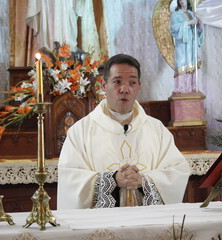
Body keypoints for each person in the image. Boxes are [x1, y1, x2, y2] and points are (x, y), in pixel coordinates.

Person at [57, 54, 191, 209]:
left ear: (139, 86)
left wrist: (144, 181)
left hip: (148, 224)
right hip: (102, 228)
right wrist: (112, 180)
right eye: (117, 82)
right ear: (103, 85)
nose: (125, 89)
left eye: (132, 83)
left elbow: (177, 171)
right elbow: (70, 179)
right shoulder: (80, 132)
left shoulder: (157, 130)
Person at [170, 0, 204, 94]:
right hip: (182, 45)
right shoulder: (175, 14)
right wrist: (188, 23)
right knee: (181, 64)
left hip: (192, 44)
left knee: (193, 64)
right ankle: (181, 88)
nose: (182, 1)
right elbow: (173, 28)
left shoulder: (192, 13)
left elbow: (199, 31)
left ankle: (193, 86)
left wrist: (199, 21)